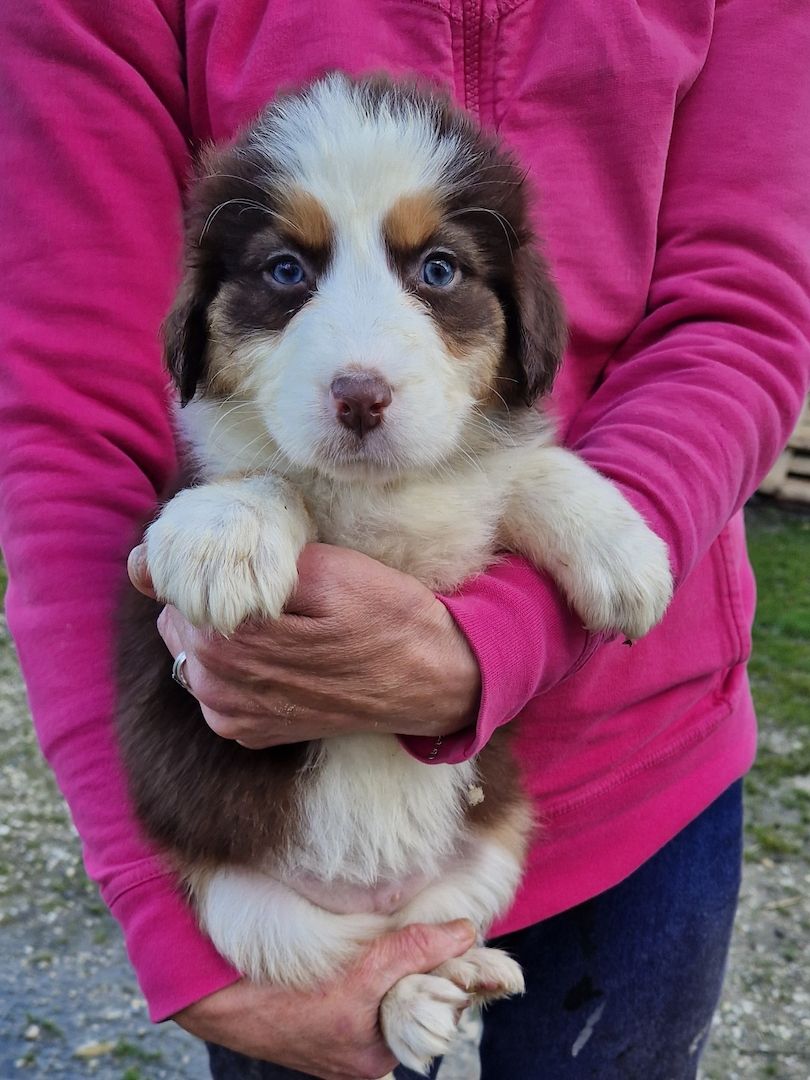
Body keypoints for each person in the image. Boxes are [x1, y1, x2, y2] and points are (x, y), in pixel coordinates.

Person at [1, 2, 808, 1078]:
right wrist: (161, 904)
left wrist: (512, 617)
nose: (361, 366)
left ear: (519, 314)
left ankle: (435, 970)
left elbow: (741, 309)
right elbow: (66, 414)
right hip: (271, 870)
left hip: (634, 766)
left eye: (438, 272)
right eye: (287, 270)